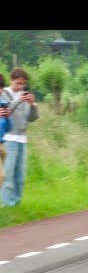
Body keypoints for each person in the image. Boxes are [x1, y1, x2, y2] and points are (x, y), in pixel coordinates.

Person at [0, 68, 39, 207]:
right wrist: (18, 100)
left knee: (20, 176)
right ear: (11, 80)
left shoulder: (24, 96)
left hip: (22, 139)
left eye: (23, 84)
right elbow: (7, 112)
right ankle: (6, 203)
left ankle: (16, 203)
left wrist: (32, 104)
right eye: (18, 83)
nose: (21, 87)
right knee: (8, 174)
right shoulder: (4, 93)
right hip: (9, 138)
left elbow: (33, 118)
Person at [0, 74, 12, 188]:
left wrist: (8, 117)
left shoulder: (3, 103)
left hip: (2, 144)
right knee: (1, 176)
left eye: (1, 88)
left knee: (2, 177)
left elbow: (9, 128)